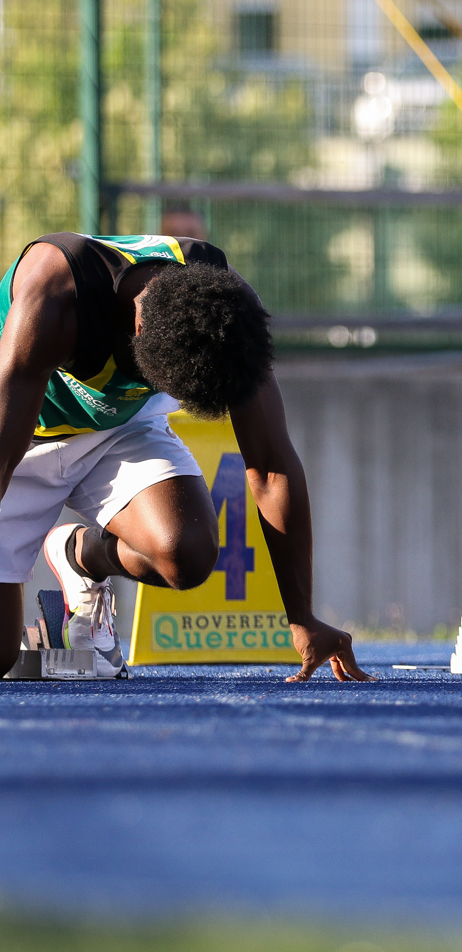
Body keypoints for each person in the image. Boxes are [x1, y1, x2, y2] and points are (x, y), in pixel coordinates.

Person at [0, 233, 367, 681]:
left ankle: (80, 556)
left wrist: (302, 617)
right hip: (20, 437)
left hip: (119, 427)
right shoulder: (53, 293)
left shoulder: (226, 310)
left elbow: (271, 466)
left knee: (186, 552)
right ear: (137, 335)